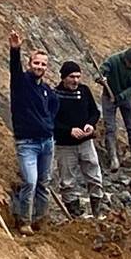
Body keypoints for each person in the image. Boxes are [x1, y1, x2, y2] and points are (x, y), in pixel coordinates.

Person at [8, 30, 58, 235]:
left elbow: (54, 108)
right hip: (27, 143)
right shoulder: (21, 83)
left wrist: (47, 124)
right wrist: (15, 49)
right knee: (30, 181)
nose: (39, 67)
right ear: (30, 64)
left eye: (43, 64)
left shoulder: (47, 90)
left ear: (47, 68)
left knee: (44, 183)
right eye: (36, 63)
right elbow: (14, 68)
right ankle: (24, 221)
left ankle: (40, 219)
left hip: (47, 142)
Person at [53, 61, 106, 219]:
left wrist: (90, 124)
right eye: (71, 77)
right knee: (67, 181)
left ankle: (98, 211)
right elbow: (50, 119)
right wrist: (68, 130)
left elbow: (94, 112)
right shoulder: (54, 95)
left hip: (86, 142)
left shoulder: (84, 91)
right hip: (65, 145)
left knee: (94, 175)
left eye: (78, 77)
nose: (75, 80)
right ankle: (75, 215)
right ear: (63, 77)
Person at [97, 47, 131, 171]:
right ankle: (113, 159)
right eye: (127, 62)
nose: (128, 65)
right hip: (109, 97)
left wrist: (121, 96)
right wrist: (100, 78)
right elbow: (102, 71)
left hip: (126, 97)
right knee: (110, 128)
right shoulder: (114, 60)